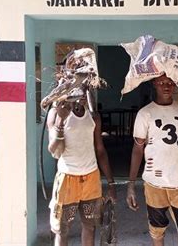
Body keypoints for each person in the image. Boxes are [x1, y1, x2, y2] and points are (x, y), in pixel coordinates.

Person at [126, 74, 178, 246]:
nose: (166, 86)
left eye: (171, 83)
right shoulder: (145, 114)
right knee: (157, 231)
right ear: (154, 84)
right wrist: (131, 185)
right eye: (162, 82)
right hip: (154, 183)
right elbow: (137, 150)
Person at [47, 97, 116, 246]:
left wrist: (111, 183)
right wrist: (60, 121)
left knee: (90, 226)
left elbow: (100, 150)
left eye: (86, 86)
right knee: (62, 230)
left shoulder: (93, 116)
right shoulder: (55, 112)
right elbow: (54, 152)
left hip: (91, 178)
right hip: (67, 179)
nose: (83, 92)